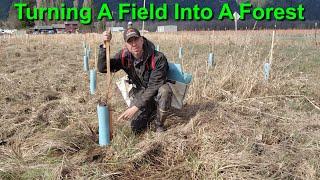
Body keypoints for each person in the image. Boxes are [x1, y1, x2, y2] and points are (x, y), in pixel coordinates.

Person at [98, 27, 172, 134]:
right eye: (130, 41)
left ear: (141, 40)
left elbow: (153, 87)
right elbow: (103, 68)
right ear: (126, 45)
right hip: (141, 92)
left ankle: (159, 124)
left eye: (136, 39)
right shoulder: (124, 56)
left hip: (156, 90)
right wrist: (105, 45)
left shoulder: (158, 58)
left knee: (165, 91)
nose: (134, 44)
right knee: (135, 129)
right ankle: (151, 110)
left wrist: (135, 107)